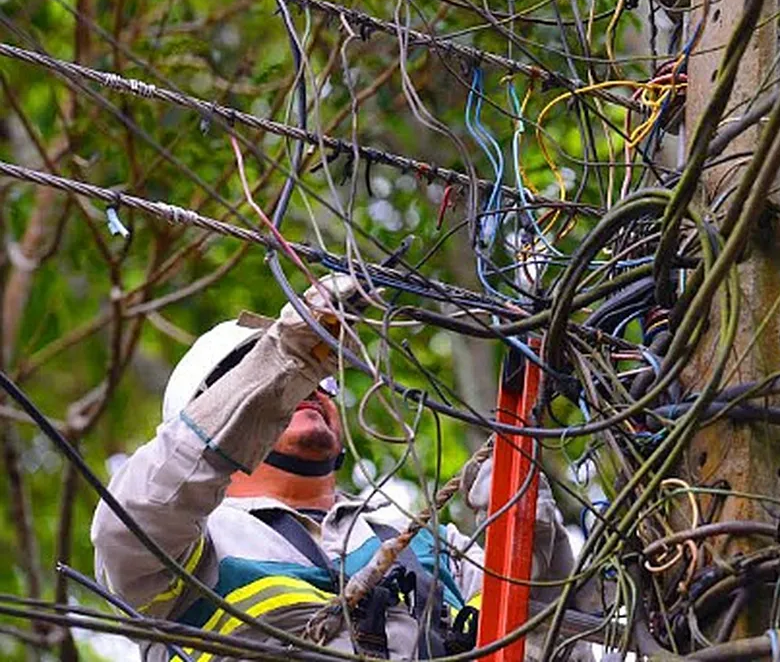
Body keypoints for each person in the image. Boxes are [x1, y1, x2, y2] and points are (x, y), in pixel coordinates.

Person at [91, 279, 576, 661]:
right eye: (282, 385)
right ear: (210, 410)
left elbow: (555, 642)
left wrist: (529, 529)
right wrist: (282, 358)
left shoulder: (435, 547)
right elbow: (133, 516)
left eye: (320, 382)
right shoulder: (189, 546)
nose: (312, 390)